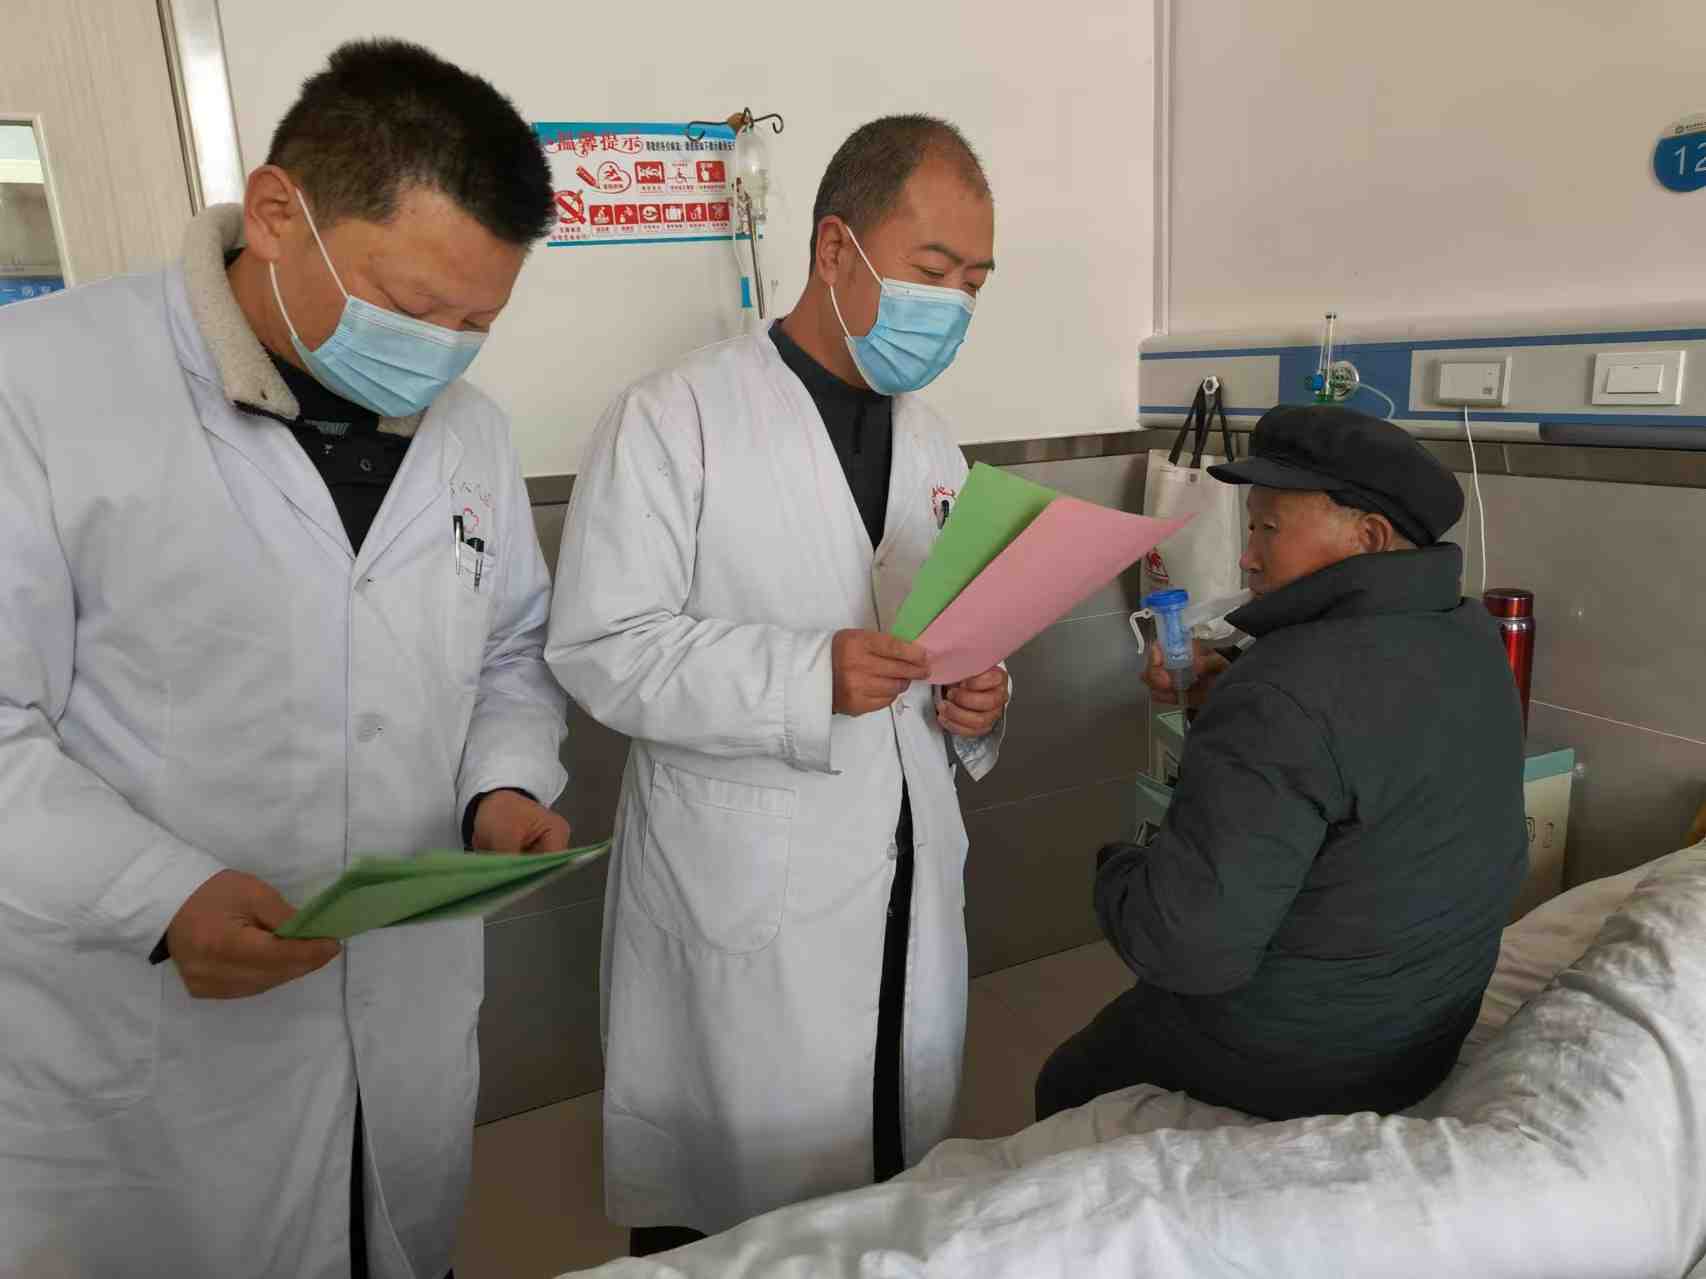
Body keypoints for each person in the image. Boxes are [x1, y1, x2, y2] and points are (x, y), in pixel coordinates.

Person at [0, 40, 571, 1279]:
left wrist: (503, 781)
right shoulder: (38, 389)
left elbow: (507, 650)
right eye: (413, 304)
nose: (441, 347)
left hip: (401, 1017)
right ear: (274, 214)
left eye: (477, 322)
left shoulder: (470, 432)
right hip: (146, 1039)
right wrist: (155, 894)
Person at [547, 115, 1011, 1252]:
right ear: (836, 249)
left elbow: (954, 632)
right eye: (932, 270)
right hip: (746, 889)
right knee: (732, 1219)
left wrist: (979, 697)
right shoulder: (673, 418)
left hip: (904, 868)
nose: (952, 305)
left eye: (974, 282)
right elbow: (603, 645)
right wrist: (803, 674)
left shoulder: (935, 445)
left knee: (882, 1186)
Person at [1036, 404, 1527, 1123]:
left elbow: (1186, 948)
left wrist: (1120, 869)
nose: (1247, 556)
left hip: (1300, 1061)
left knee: (1063, 1083)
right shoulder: (1472, 635)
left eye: (1268, 528)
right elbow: (1364, 742)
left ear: (1368, 537)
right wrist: (1233, 690)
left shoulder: (1283, 690)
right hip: (1423, 1034)